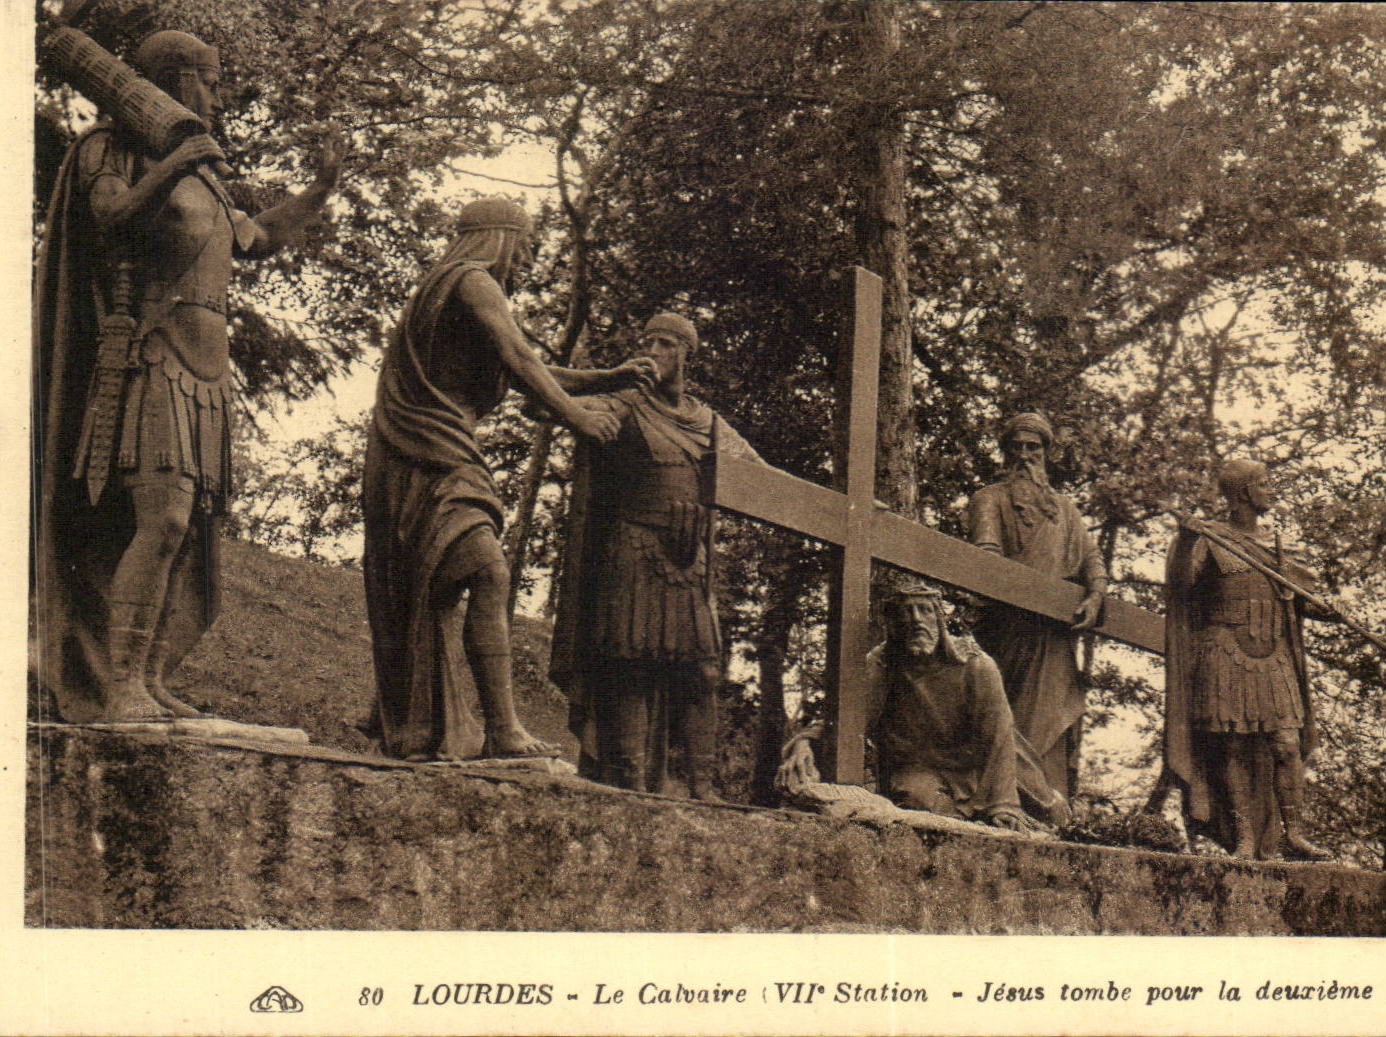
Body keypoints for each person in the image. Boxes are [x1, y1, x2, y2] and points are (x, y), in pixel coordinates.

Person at [34, 29, 341, 722]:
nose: (216, 93)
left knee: (185, 528)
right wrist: (170, 167)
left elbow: (255, 237)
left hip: (206, 369)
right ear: (172, 78)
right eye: (207, 78)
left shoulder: (203, 171)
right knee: (161, 516)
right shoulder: (106, 148)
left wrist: (318, 191)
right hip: (150, 352)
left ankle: (148, 675)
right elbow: (111, 218)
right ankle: (117, 685)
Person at [361, 198, 654, 761]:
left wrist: (606, 378)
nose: (525, 260)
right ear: (497, 238)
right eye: (523, 246)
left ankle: (462, 723)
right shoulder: (471, 281)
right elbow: (521, 357)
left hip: (430, 455)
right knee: (488, 571)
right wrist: (578, 417)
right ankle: (503, 730)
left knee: (453, 583)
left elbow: (526, 368)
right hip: (430, 457)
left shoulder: (452, 290)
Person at [550, 312, 763, 799]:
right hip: (634, 549)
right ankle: (628, 783)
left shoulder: (709, 422)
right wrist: (601, 383)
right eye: (647, 342)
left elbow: (761, 478)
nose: (654, 351)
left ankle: (703, 787)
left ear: (689, 354)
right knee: (632, 668)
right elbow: (547, 405)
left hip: (690, 561)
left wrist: (848, 503)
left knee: (705, 671)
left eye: (666, 343)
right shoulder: (626, 404)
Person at [1163, 459, 1335, 861]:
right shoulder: (1211, 538)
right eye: (1264, 483)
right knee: (1235, 748)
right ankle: (1243, 836)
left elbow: (1306, 598)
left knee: (1287, 744)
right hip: (1225, 650)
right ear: (1242, 493)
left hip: (1274, 653)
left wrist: (1329, 607)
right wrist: (1187, 541)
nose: (1271, 490)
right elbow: (1184, 586)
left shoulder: (1279, 546)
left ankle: (1294, 834)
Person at [775, 580, 1027, 831]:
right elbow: (849, 717)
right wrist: (805, 741)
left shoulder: (976, 665)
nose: (916, 619)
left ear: (940, 619)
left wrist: (1002, 804)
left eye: (925, 610)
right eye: (906, 612)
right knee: (923, 802)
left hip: (975, 773)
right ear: (894, 624)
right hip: (916, 774)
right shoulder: (883, 665)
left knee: (1047, 809)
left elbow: (999, 737)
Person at [967, 412, 1107, 819]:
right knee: (1006, 721)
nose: (1026, 457)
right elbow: (985, 557)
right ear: (1006, 452)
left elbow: (1092, 559)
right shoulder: (988, 499)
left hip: (1055, 639)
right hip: (1008, 632)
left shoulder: (1064, 510)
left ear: (1047, 453)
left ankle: (1055, 814)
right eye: (1018, 447)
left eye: (1035, 448)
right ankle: (1009, 809)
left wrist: (1096, 594)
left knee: (1052, 728)